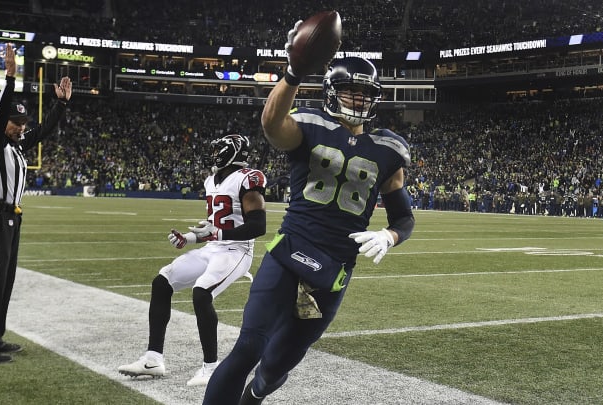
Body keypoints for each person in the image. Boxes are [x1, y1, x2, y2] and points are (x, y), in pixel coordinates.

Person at [203, 22, 415, 405]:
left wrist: (389, 235)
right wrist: (293, 73)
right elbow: (271, 124)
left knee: (275, 368)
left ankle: (254, 397)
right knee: (248, 346)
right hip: (290, 251)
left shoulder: (390, 149)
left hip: (333, 271)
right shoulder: (308, 124)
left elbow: (404, 219)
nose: (357, 98)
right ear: (331, 91)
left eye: (365, 92)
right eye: (350, 89)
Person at [118, 134, 267, 386]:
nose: (214, 154)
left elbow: (258, 226)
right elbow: (213, 226)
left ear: (232, 152)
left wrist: (217, 233)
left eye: (219, 149)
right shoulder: (212, 180)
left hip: (237, 250)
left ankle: (211, 368)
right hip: (214, 247)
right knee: (162, 282)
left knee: (201, 293)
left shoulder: (247, 179)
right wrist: (189, 238)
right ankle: (153, 359)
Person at [0, 43, 72, 364]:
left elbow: (42, 132)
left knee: (5, 279)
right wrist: (10, 79)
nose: (21, 127)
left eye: (22, 123)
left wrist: (61, 105)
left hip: (11, 218)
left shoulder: (16, 146)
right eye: (16, 123)